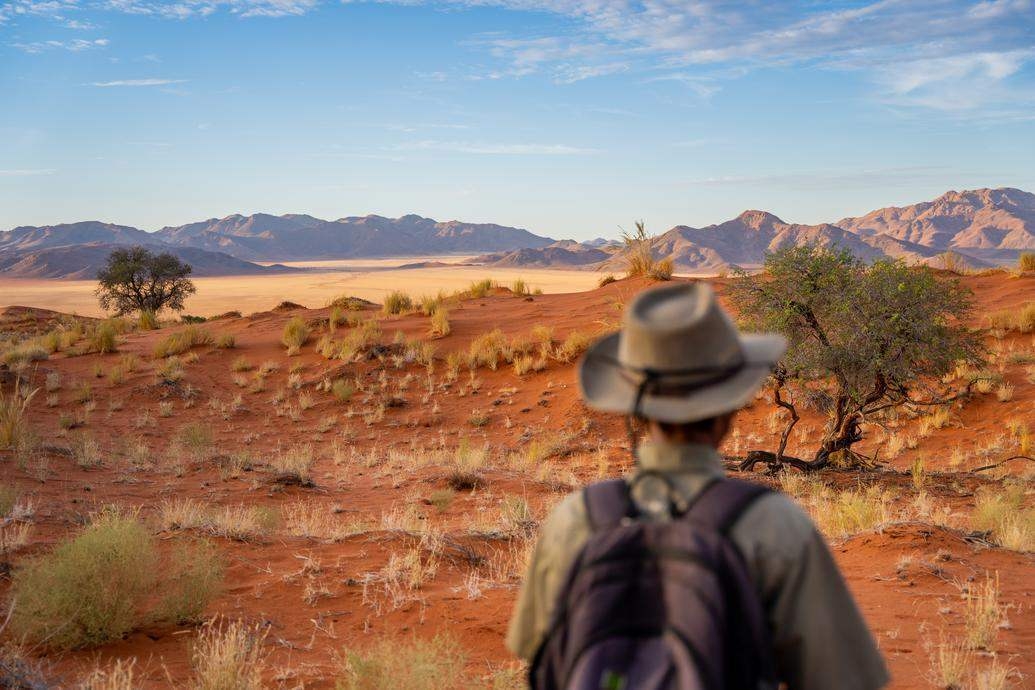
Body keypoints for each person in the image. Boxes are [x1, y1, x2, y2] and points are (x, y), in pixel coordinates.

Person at [506, 282, 889, 690]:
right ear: (728, 406)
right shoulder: (775, 526)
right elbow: (840, 678)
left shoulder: (576, 518)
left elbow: (537, 655)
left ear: (635, 408)